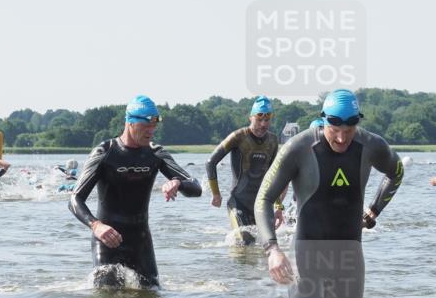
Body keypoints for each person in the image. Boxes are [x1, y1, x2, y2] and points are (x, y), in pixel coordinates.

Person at [255, 89, 404, 298]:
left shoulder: (371, 145)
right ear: (323, 120)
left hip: (350, 255)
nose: (343, 139)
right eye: (335, 131)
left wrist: (374, 210)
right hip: (306, 254)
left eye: (349, 131)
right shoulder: (298, 147)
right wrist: (272, 250)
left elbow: (396, 172)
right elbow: (263, 198)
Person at [69, 94, 202, 288]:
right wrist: (96, 226)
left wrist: (177, 183)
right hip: (108, 241)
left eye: (154, 126)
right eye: (146, 125)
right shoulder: (105, 152)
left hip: (140, 242)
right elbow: (75, 199)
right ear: (130, 122)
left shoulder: (156, 153)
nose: (151, 131)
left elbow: (196, 188)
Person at [205, 96, 283, 244]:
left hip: (261, 205)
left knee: (267, 245)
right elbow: (210, 162)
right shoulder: (238, 137)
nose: (263, 124)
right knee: (246, 242)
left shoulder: (273, 141)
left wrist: (278, 206)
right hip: (238, 203)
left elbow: (275, 176)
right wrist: (216, 194)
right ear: (250, 118)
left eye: (267, 121)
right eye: (259, 120)